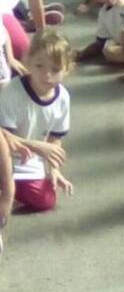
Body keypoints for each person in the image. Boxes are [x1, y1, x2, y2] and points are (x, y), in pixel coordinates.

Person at [0, 30, 75, 214]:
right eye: (39, 66)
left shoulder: (63, 97)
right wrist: (36, 147)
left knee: (46, 200)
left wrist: (54, 169)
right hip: (4, 156)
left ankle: (11, 189)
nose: (46, 75)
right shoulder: (13, 92)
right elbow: (3, 137)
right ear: (28, 62)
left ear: (67, 69)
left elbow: (54, 140)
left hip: (27, 162)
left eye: (55, 69)